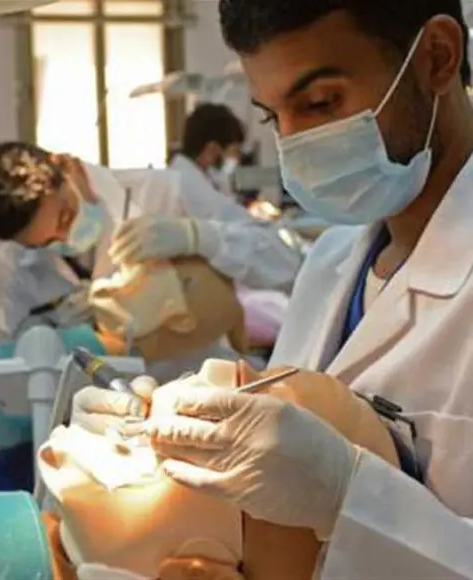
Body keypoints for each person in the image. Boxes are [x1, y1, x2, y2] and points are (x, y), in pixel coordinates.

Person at [73, 0, 473, 576]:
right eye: (270, 117)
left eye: (321, 103)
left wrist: (348, 498)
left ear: (437, 56)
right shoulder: (332, 264)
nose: (293, 144)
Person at [0, 141, 301, 373]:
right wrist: (55, 333)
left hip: (200, 388)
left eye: (66, 217)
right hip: (106, 416)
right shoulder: (18, 260)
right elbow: (23, 358)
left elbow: (285, 262)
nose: (66, 241)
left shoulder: (162, 191)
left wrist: (199, 236)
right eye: (46, 243)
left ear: (66, 166)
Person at [169, 103, 246, 195]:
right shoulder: (189, 182)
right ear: (212, 149)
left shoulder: (203, 175)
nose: (237, 158)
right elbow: (222, 201)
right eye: (234, 151)